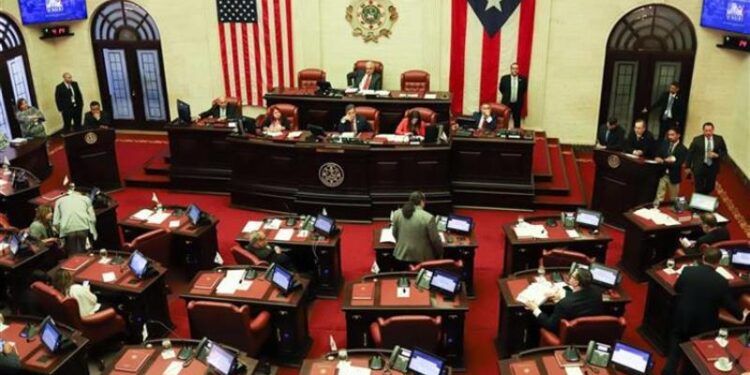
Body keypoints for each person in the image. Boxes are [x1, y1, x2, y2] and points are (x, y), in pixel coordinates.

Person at [662, 248, 749, 375]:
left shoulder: (688, 271)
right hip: (703, 326)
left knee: (674, 351)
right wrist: (742, 315)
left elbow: (677, 288)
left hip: (682, 317)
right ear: (719, 262)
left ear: (703, 258)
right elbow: (730, 305)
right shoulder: (721, 281)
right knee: (696, 355)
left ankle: (668, 372)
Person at [521, 268, 605, 334]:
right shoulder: (597, 292)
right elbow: (580, 296)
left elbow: (550, 325)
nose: (569, 276)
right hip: (588, 331)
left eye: (572, 276)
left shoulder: (564, 304)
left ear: (576, 283)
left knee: (534, 319)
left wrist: (535, 309)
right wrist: (562, 294)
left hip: (567, 334)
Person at [391, 191, 443, 267]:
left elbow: (394, 233)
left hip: (400, 256)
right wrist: (441, 253)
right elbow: (435, 240)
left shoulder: (397, 213)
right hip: (422, 259)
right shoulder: (428, 217)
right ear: (422, 202)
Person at [53, 184, 97, 254]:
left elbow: (55, 223)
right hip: (84, 227)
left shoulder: (59, 201)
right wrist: (93, 232)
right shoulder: (86, 199)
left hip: (67, 230)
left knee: (72, 255)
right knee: (86, 253)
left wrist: (61, 232)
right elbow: (93, 219)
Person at [685, 122, 727, 194]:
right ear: (703, 130)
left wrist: (717, 155)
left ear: (713, 130)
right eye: (706, 130)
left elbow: (724, 152)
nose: (708, 132)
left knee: (710, 187)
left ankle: (705, 197)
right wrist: (687, 166)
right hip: (699, 166)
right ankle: (699, 200)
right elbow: (690, 153)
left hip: (712, 167)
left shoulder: (719, 139)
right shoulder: (697, 140)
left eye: (710, 130)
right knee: (698, 187)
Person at [652, 127, 688, 206]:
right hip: (663, 174)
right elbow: (658, 154)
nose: (670, 137)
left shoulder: (683, 149)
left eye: (672, 135)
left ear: (678, 135)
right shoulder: (664, 144)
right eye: (669, 135)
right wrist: (657, 157)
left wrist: (664, 161)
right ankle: (655, 210)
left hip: (673, 176)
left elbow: (678, 164)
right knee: (658, 196)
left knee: (673, 199)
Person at [498, 62, 527, 128]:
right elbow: (501, 89)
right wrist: (507, 95)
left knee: (517, 120)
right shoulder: (504, 78)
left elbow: (523, 90)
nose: (515, 70)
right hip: (506, 103)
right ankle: (504, 133)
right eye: (513, 68)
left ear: (518, 70)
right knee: (505, 119)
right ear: (511, 69)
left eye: (516, 68)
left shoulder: (523, 79)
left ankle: (516, 135)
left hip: (517, 103)